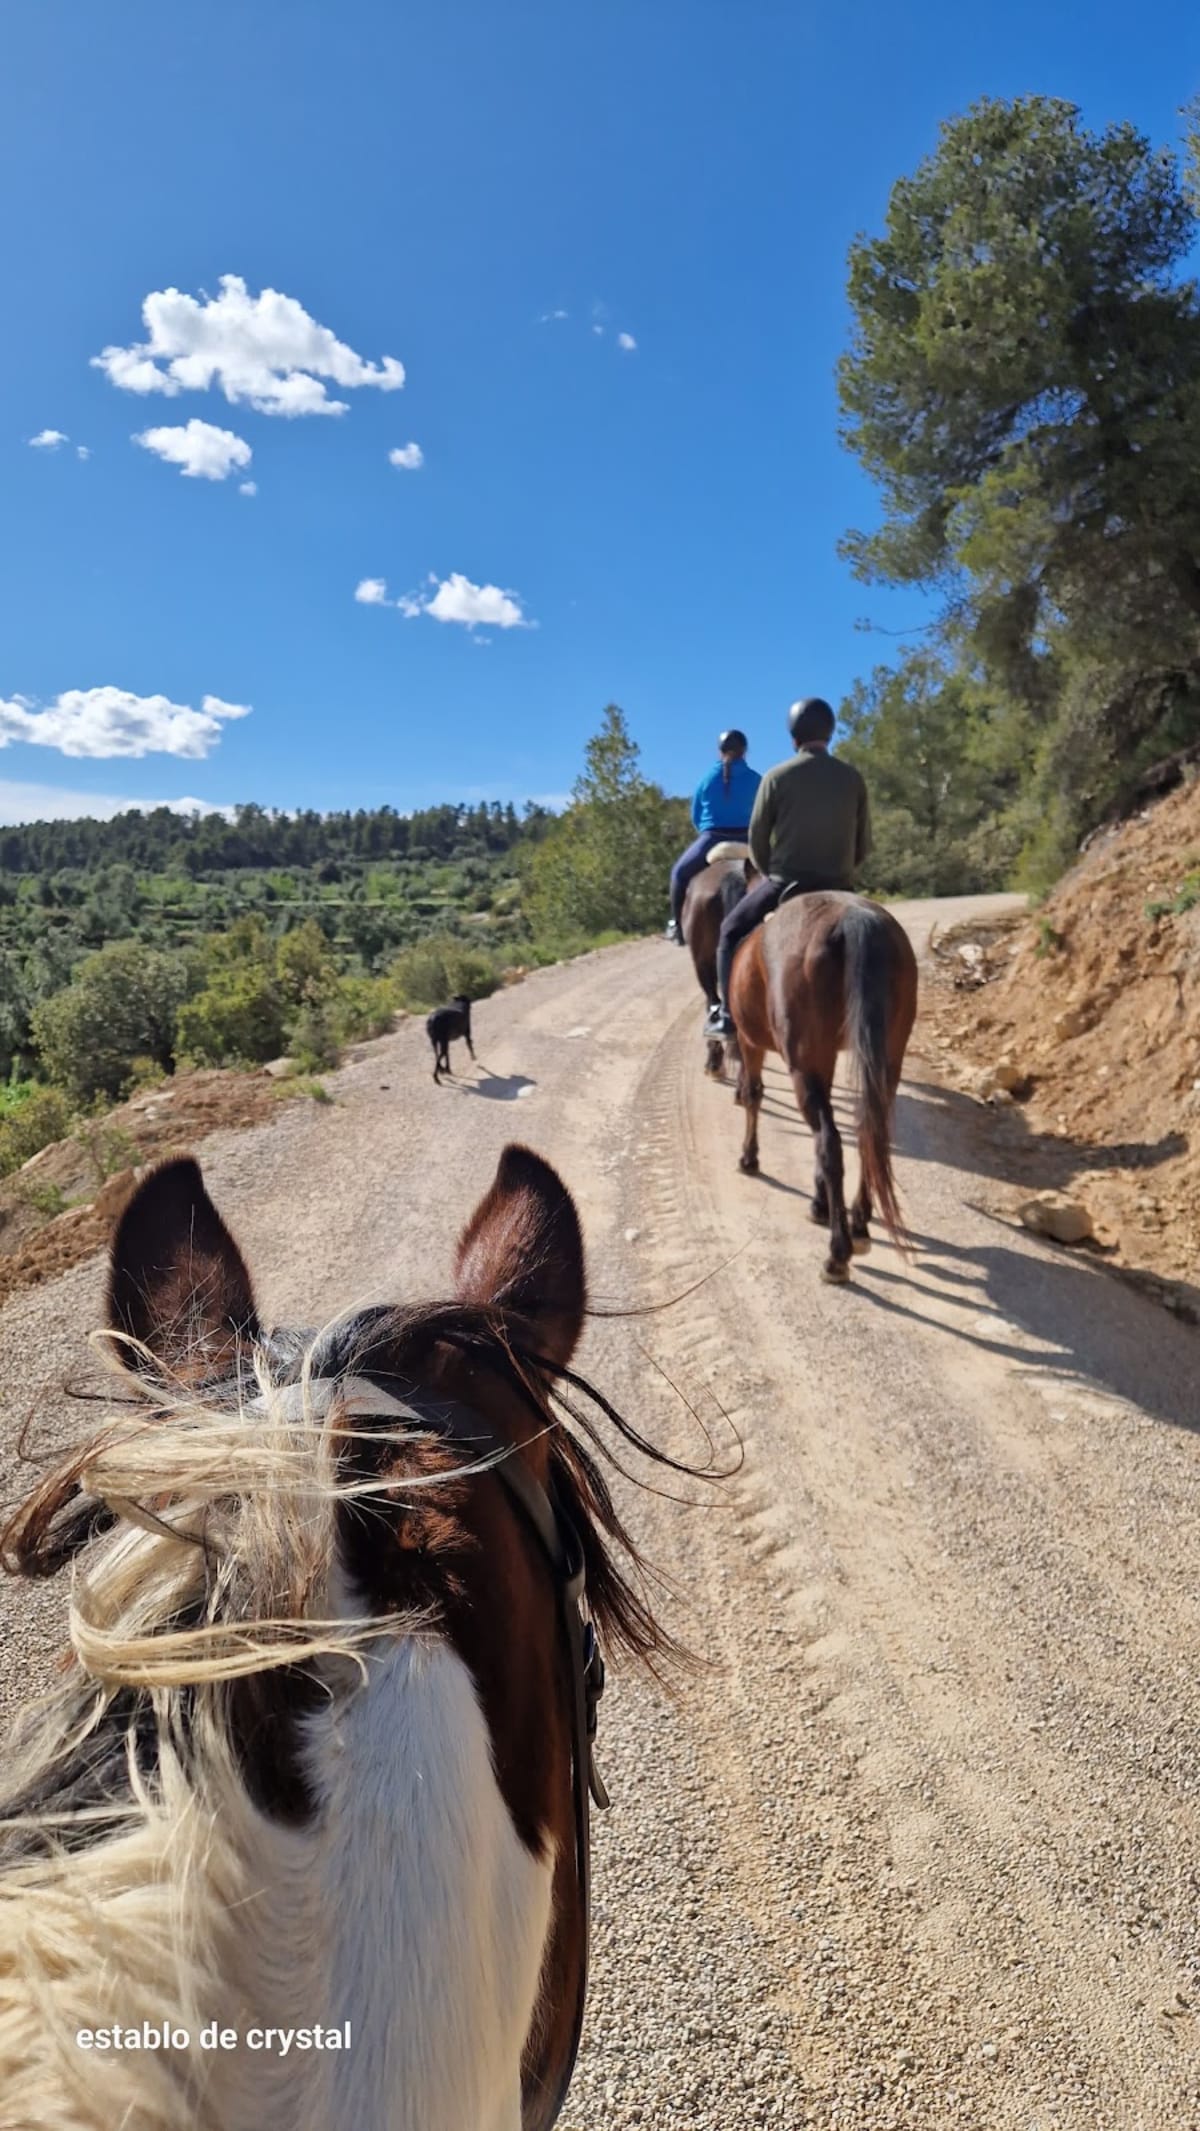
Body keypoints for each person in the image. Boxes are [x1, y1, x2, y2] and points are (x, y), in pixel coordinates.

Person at [706, 697, 872, 1035]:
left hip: (787, 882)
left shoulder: (777, 777)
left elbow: (758, 839)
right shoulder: (852, 777)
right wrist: (843, 872)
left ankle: (727, 1016)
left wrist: (770, 874)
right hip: (840, 884)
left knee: (730, 931)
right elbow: (864, 843)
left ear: (793, 737)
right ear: (830, 733)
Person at [665, 731, 761, 944]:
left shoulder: (707, 779)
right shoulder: (756, 779)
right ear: (745, 751)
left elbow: (696, 815)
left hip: (711, 838)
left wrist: (706, 830)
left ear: (720, 751)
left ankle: (677, 926)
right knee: (780, 876)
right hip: (747, 839)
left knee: (679, 874)